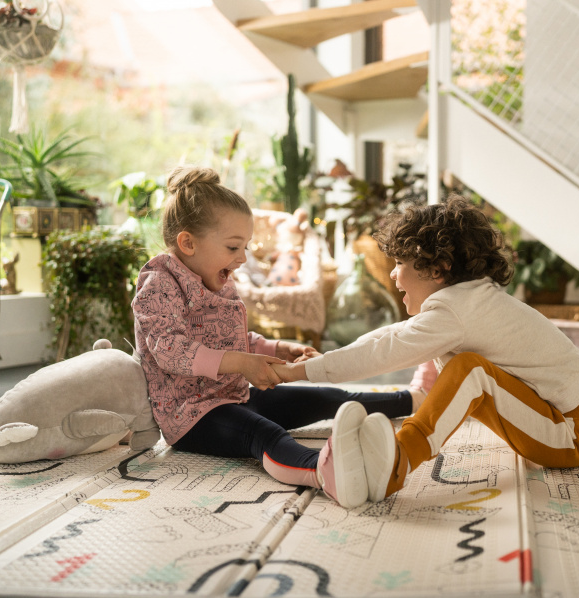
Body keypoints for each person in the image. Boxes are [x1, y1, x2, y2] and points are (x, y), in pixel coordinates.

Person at [275, 194, 579, 506]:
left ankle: (396, 465)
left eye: (399, 263)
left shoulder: (456, 311)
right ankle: (383, 451)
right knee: (463, 364)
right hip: (559, 419)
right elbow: (391, 336)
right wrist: (324, 362)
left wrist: (301, 373)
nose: (393, 275)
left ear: (437, 270)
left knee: (470, 370)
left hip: (568, 435)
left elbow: (386, 351)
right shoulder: (465, 302)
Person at [131, 166, 416, 508]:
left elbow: (230, 339)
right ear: (188, 243)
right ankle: (327, 473)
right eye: (234, 247)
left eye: (246, 247)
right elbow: (169, 349)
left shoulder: (217, 277)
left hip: (231, 396)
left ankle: (412, 401)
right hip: (191, 417)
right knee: (263, 434)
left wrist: (277, 348)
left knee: (325, 397)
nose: (243, 258)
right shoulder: (159, 284)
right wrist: (240, 362)